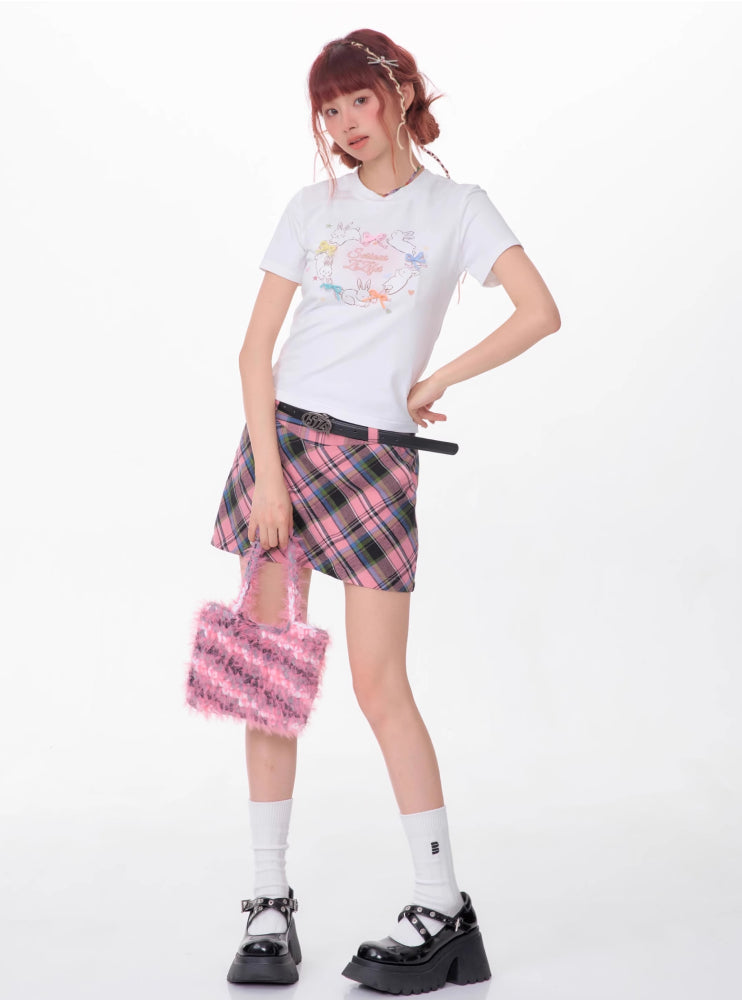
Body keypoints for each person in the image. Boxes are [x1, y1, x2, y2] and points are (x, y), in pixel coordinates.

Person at [210, 27, 560, 994]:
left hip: (375, 461)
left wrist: (437, 377)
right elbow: (253, 352)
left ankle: (442, 907)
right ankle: (268, 901)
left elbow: (539, 310)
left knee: (379, 686)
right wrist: (269, 475)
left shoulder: (459, 209)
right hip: (283, 448)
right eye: (328, 110)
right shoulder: (310, 207)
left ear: (399, 91)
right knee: (269, 679)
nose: (343, 123)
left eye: (357, 100)